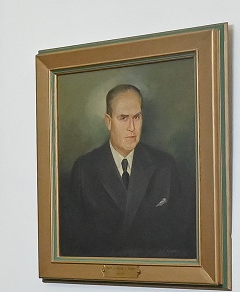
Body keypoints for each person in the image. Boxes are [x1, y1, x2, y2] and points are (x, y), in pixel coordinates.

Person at [60, 83, 196, 260]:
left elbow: (182, 236)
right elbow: (73, 243)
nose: (132, 127)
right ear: (108, 122)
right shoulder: (84, 169)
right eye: (123, 118)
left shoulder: (165, 166)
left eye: (137, 117)